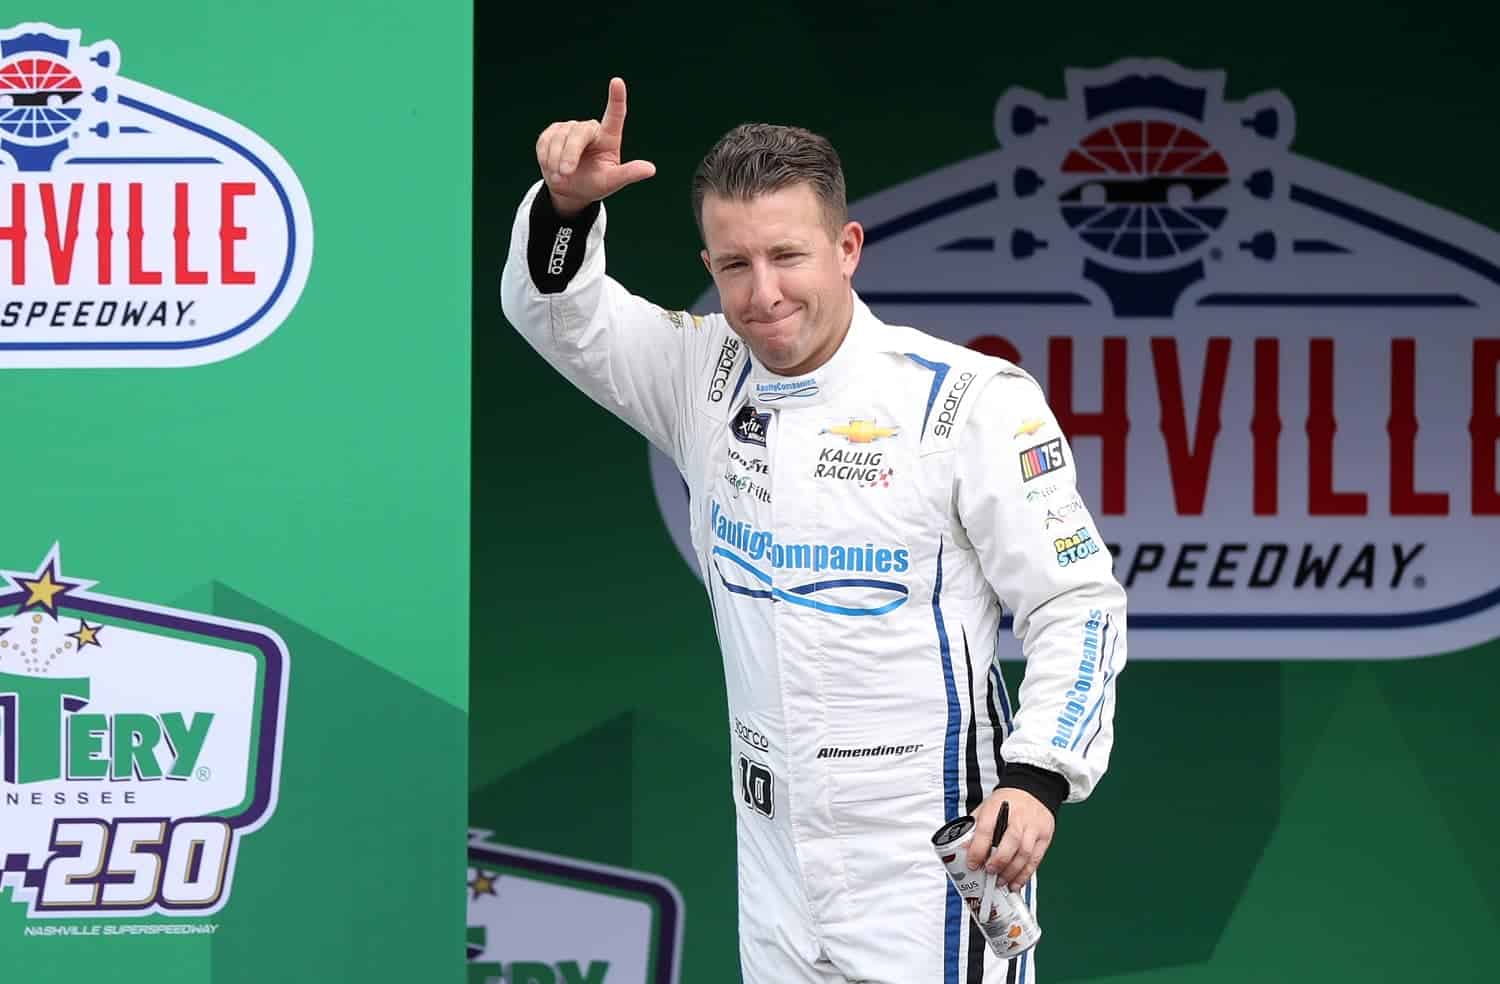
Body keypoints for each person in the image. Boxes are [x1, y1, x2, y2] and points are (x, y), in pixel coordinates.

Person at [501, 78, 1127, 984]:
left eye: (788, 257)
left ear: (847, 248)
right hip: (774, 856)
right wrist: (565, 206)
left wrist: (1038, 777)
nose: (762, 296)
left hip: (929, 862)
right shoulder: (701, 373)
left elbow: (1077, 601)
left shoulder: (964, 403)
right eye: (733, 266)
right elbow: (559, 317)